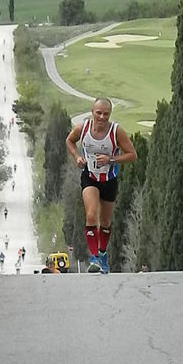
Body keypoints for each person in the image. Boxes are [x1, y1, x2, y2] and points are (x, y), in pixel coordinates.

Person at [66, 97, 137, 273]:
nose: (102, 117)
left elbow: (132, 155)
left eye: (106, 114)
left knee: (105, 221)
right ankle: (94, 258)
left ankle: (102, 253)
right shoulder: (82, 129)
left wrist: (111, 159)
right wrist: (77, 157)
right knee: (91, 215)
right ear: (92, 112)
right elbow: (69, 141)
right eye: (99, 113)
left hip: (109, 180)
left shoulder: (116, 131)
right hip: (89, 177)